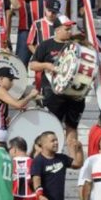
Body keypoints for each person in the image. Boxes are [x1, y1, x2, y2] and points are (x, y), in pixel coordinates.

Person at [29, 15, 85, 151]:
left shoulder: (76, 45)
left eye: (71, 29)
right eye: (67, 29)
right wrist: (47, 65)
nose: (70, 32)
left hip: (73, 92)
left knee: (72, 127)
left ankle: (73, 159)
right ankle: (51, 156)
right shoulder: (45, 45)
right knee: (52, 127)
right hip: (53, 92)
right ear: (57, 29)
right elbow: (32, 65)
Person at [0, 67, 38, 146]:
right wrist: (31, 95)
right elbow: (18, 104)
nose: (12, 83)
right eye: (10, 80)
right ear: (1, 79)